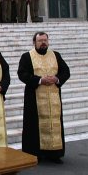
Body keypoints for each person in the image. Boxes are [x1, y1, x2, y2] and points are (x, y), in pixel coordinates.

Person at [18, 32, 70, 163]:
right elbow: (22, 74)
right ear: (34, 42)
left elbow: (66, 71)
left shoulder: (55, 55)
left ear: (48, 41)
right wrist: (40, 80)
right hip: (34, 98)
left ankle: (55, 154)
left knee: (54, 124)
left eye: (45, 40)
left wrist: (57, 78)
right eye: (40, 40)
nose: (43, 43)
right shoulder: (27, 56)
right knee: (34, 126)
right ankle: (36, 154)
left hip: (53, 99)